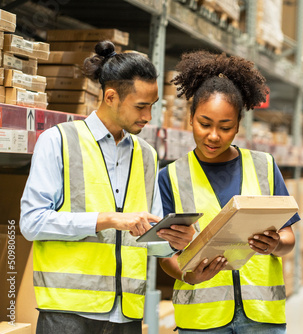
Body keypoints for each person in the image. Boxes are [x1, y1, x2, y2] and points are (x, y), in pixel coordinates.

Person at [20, 41, 195, 334]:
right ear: (111, 96)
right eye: (140, 106)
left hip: (126, 313)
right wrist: (109, 219)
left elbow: (151, 241)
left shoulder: (148, 155)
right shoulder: (58, 141)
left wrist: (179, 239)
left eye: (152, 106)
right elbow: (31, 223)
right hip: (68, 314)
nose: (148, 117)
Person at [158, 51, 301, 333]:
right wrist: (188, 276)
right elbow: (165, 255)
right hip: (202, 320)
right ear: (190, 118)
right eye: (205, 124)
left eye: (225, 127)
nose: (214, 136)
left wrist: (275, 245)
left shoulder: (264, 166)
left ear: (237, 125)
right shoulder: (171, 176)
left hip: (261, 318)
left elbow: (289, 237)